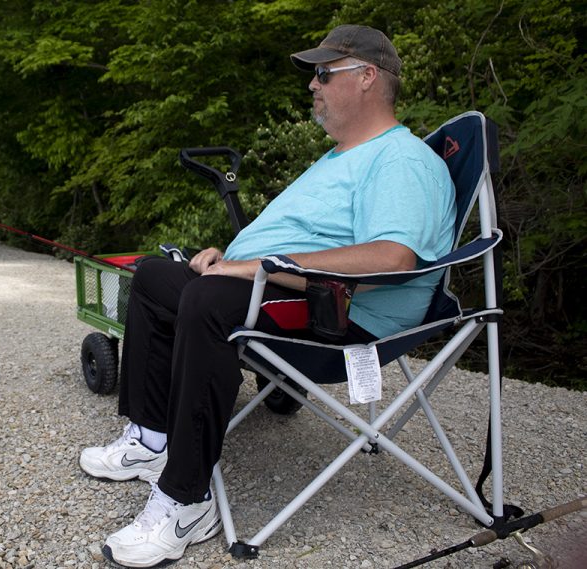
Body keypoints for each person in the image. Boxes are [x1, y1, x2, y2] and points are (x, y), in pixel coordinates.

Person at [79, 24, 456, 567]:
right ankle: (153, 438)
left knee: (209, 305)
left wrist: (251, 267)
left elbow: (391, 260)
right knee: (158, 277)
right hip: (279, 286)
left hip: (344, 317)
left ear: (368, 77)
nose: (313, 85)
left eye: (325, 73)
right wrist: (225, 259)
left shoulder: (400, 159)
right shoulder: (338, 157)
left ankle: (186, 500)